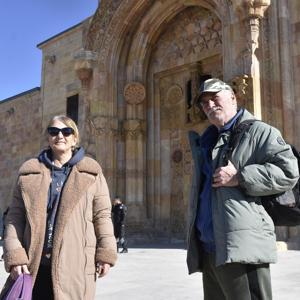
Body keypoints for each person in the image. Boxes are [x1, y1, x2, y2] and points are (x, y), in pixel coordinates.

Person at [186, 78, 299, 300]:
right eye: (204, 102)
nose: (209, 105)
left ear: (232, 98)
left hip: (241, 248)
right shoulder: (208, 140)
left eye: (214, 97)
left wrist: (240, 177)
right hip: (209, 249)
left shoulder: (259, 132)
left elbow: (289, 172)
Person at [1, 115, 117, 300]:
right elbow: (15, 217)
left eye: (66, 131)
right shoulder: (29, 173)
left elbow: (102, 216)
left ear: (74, 138)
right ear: (48, 138)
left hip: (75, 266)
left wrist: (106, 253)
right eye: (54, 131)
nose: (60, 135)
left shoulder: (92, 173)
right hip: (35, 266)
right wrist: (15, 255)